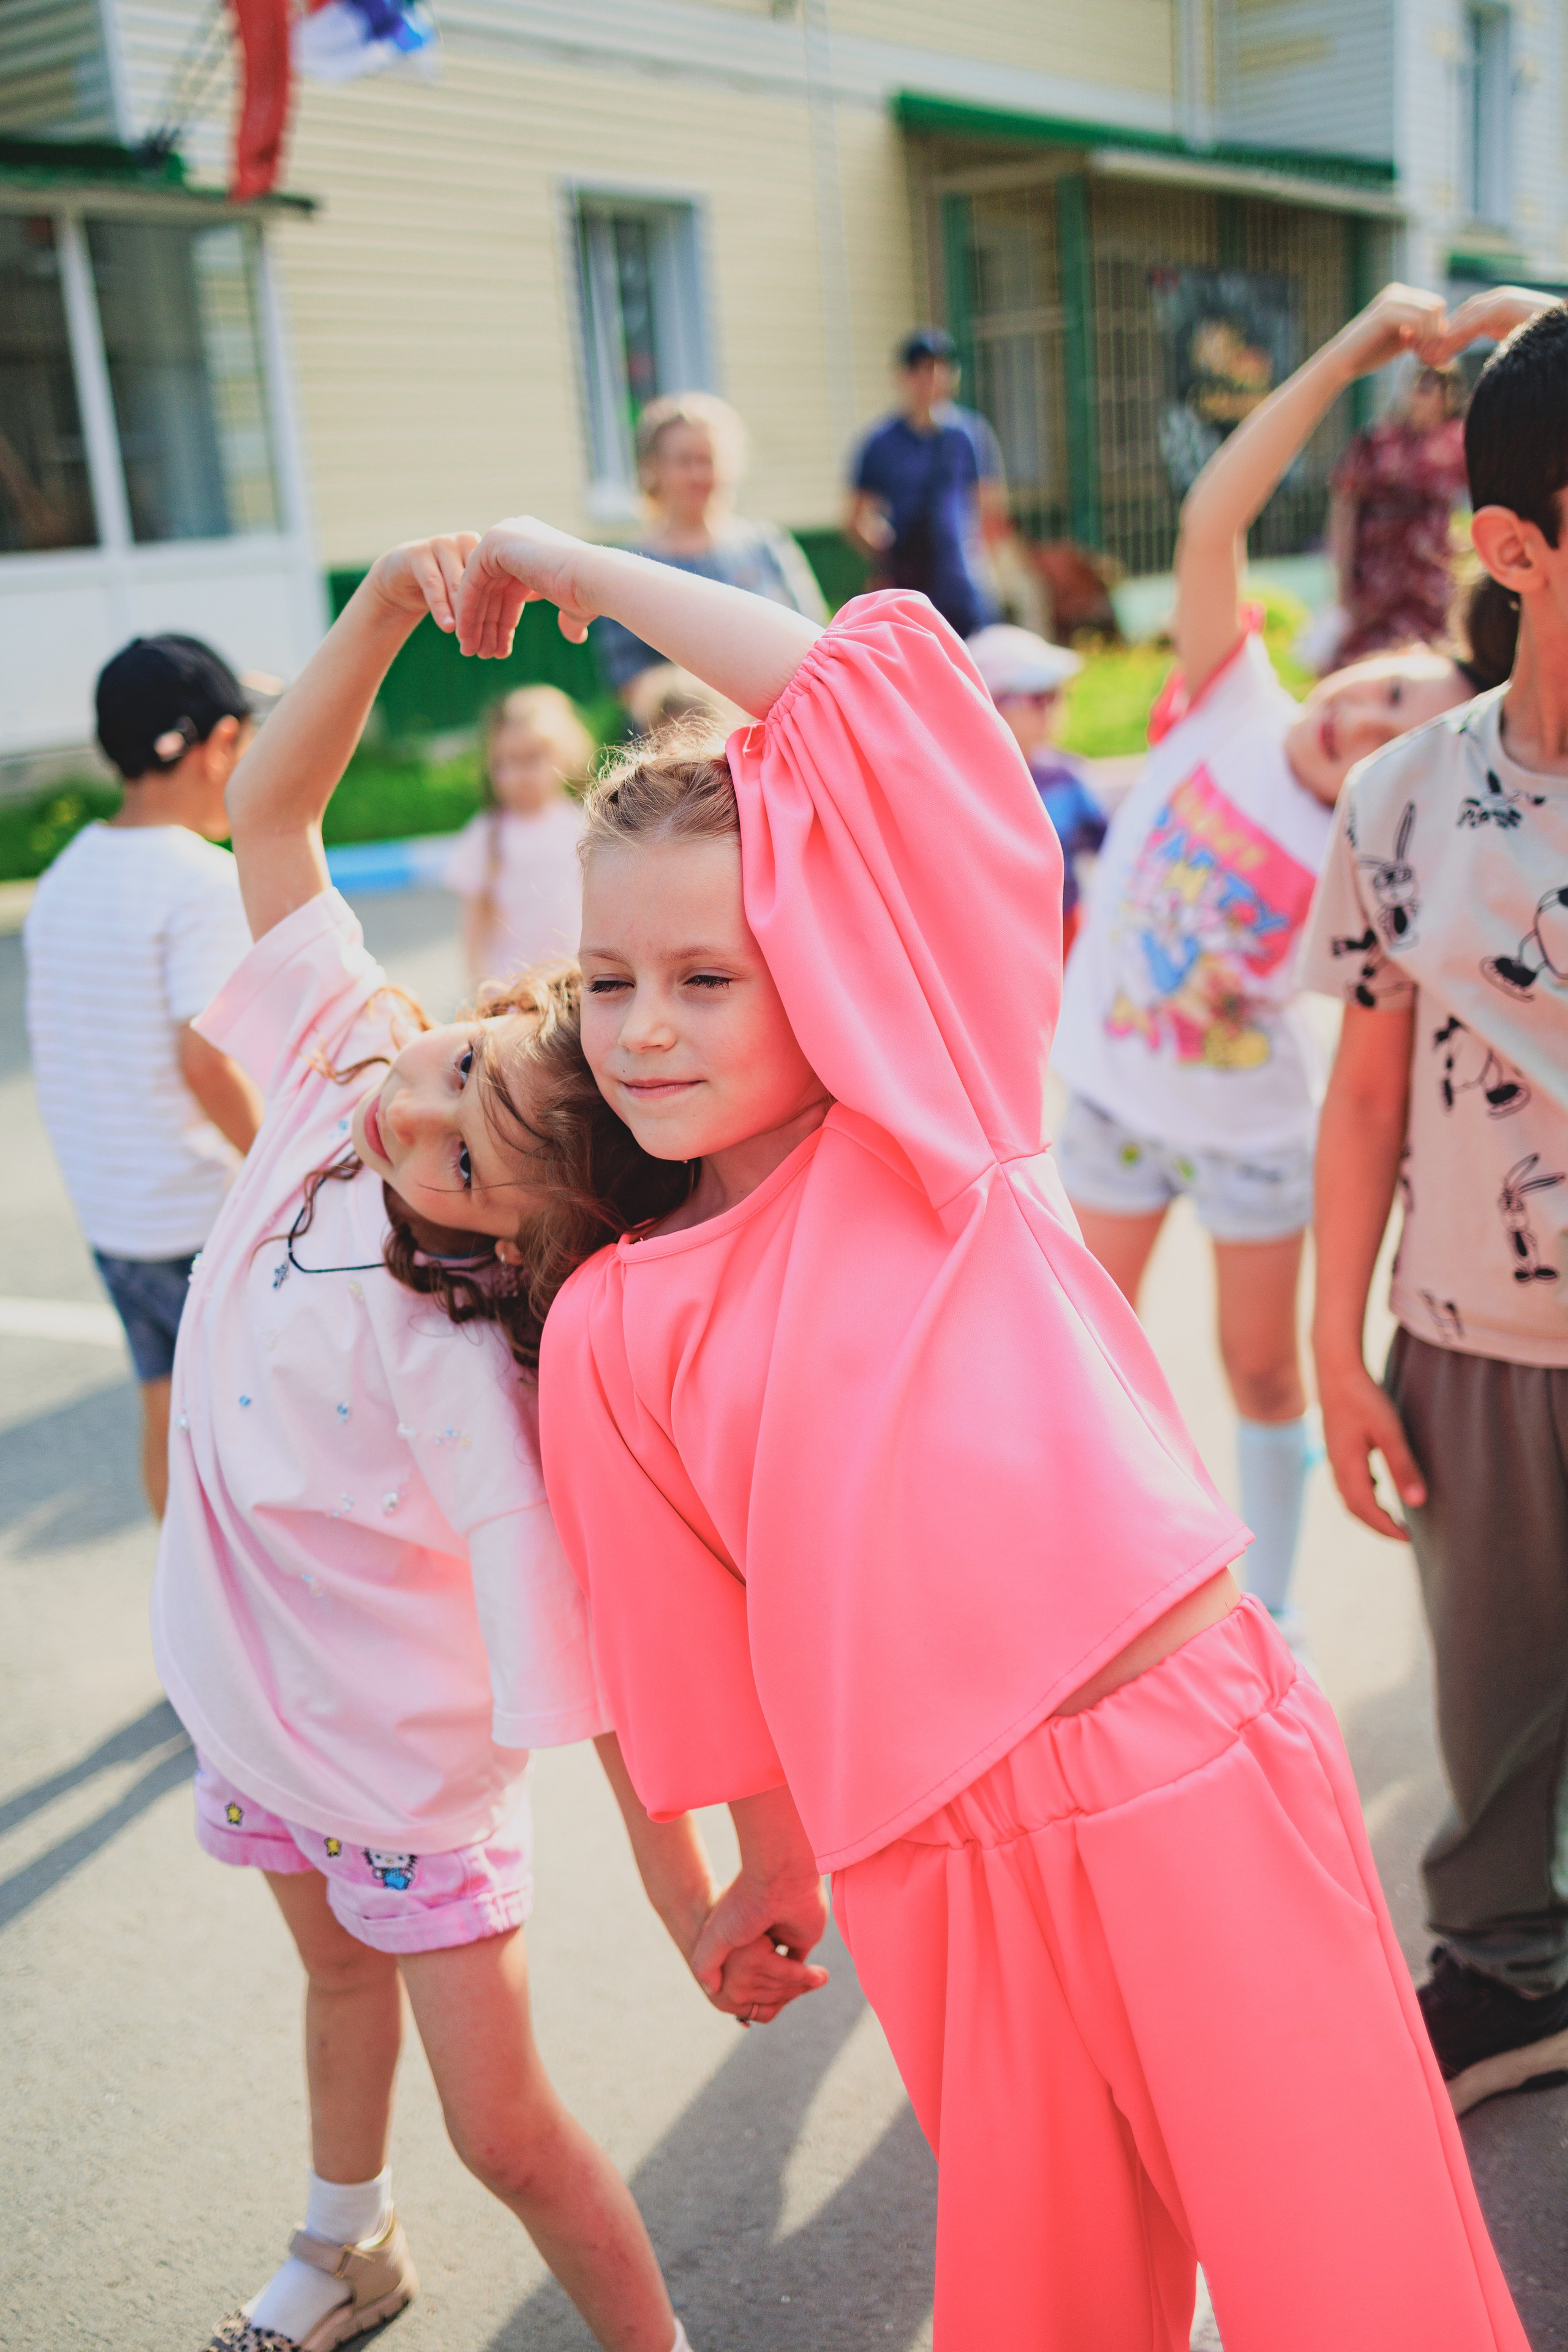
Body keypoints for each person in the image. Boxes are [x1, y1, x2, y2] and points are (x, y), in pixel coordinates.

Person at [451, 514, 1528, 2352]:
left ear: (819, 964)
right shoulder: (610, 1323)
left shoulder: (927, 1115)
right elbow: (700, 1658)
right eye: (608, 978)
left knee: (1356, 2280)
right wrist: (763, 1872)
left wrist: (582, 570)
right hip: (924, 1854)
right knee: (1046, 2307)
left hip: (1180, 1761)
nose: (641, 1026)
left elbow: (875, 687)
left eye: (706, 974)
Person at [156, 538, 822, 2352]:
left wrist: (693, 1902)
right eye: (455, 1066)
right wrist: (381, 607)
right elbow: (273, 812)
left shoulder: (475, 1375)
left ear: (522, 1243)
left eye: (465, 1157)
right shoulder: (344, 1066)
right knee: (329, 1980)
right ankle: (343, 2244)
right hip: (251, 1706)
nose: (416, 1116)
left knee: (506, 2129)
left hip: (398, 1780)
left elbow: (602, 1681)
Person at [1050, 285, 1483, 1653]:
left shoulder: (1374, 841)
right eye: (1382, 687)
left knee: (1257, 1370)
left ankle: (1274, 1612)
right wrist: (1348, 352)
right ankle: (1091, 1587)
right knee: (1081, 1355)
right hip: (1113, 1104)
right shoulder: (1234, 696)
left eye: (1394, 737)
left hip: (1248, 1141)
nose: (1362, 722)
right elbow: (1210, 520)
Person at [1306, 286, 1568, 2119]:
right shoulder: (1401, 797)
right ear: (1513, 548)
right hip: (1470, 1341)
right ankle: (1503, 1973)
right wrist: (1337, 1352)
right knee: (1492, 1701)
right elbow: (1360, 1095)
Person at [24, 635, 263, 1517]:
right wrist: (279, 1159)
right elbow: (205, 1059)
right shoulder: (198, 881)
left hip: (114, 1210)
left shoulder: (66, 875)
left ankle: (181, 1584)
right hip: (195, 1207)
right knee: (247, 1421)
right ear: (220, 744)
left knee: (164, 1401)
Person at [592, 391, 826, 712]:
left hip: (777, 725)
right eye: (684, 461)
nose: (698, 475)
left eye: (709, 460)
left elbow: (815, 642)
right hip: (681, 736)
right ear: (654, 469)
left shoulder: (767, 546)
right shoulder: (629, 566)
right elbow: (628, 680)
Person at [846, 328, 1006, 639]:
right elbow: (855, 518)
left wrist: (982, 565)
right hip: (908, 586)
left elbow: (991, 508)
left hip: (961, 585)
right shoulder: (881, 442)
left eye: (940, 368)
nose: (931, 378)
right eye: (920, 369)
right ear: (903, 376)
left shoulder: (969, 435)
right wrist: (888, 554)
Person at [443, 684, 592, 993]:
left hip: (575, 980)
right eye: (508, 762)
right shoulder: (488, 834)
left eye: (532, 758)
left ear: (562, 755)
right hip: (513, 986)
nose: (520, 774)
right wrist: (479, 985)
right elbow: (475, 921)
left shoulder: (582, 824)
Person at [967, 622, 1105, 954]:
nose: (1054, 707)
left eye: (1056, 695)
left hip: (1065, 936)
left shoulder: (1066, 779)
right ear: (990, 705)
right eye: (1040, 697)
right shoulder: (964, 791)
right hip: (997, 945)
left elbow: (1110, 848)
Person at [1328, 358, 1469, 665]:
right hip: (1378, 581)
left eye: (1431, 386)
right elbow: (1345, 506)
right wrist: (1342, 577)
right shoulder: (1378, 442)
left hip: (1432, 583)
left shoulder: (1458, 442)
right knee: (1366, 662)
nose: (1421, 395)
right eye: (1415, 384)